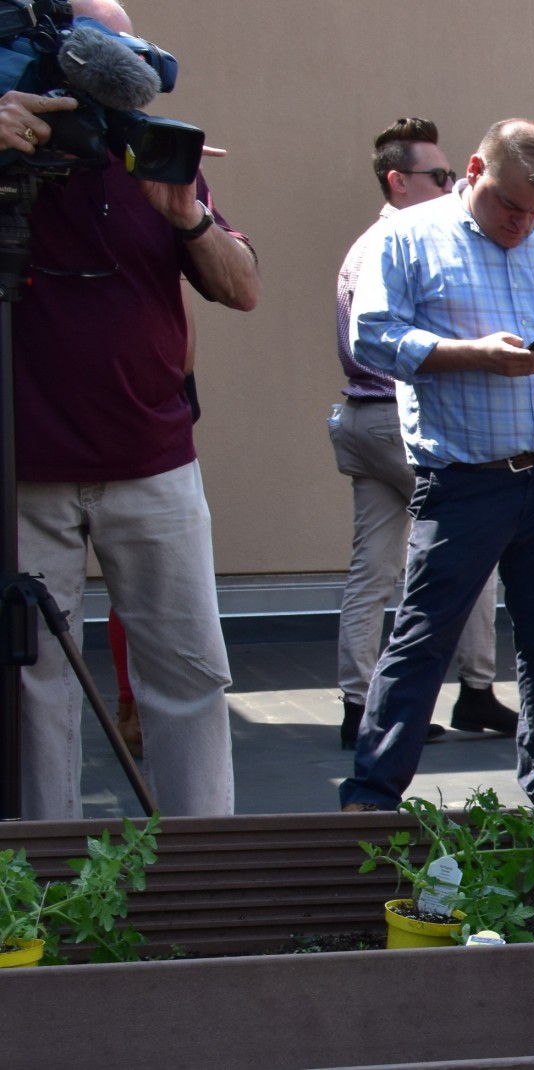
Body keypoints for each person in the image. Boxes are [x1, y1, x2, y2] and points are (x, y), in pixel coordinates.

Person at [340, 119, 534, 812]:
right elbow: (372, 336)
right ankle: (373, 790)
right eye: (510, 205)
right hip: (462, 480)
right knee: (424, 636)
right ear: (474, 171)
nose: (522, 223)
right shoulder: (408, 236)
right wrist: (475, 353)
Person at [0, 0, 257, 820]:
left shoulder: (151, 152)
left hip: (152, 459)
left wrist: (186, 215)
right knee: (34, 685)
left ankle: (207, 874)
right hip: (26, 467)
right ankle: (43, 885)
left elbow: (242, 285)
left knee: (186, 674)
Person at [330, 117, 518, 751]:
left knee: (373, 567)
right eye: (438, 176)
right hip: (396, 418)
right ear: (397, 181)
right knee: (472, 544)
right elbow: (385, 345)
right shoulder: (404, 244)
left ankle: (358, 704)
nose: (450, 185)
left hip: (360, 420)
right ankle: (475, 689)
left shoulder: (365, 243)